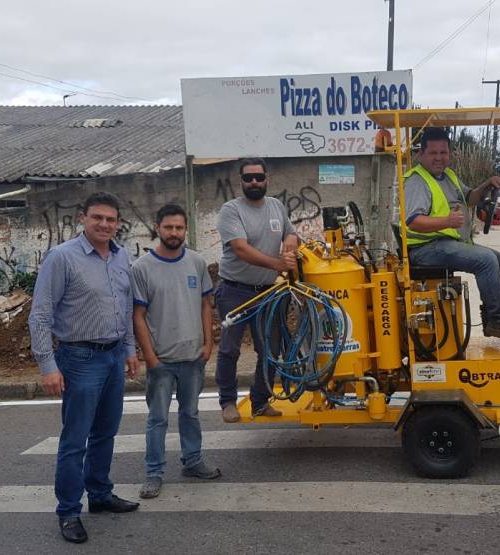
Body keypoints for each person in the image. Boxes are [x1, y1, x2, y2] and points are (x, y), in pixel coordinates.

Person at [28, 192, 141, 544]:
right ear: (82, 218)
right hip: (78, 360)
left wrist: (129, 349)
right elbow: (40, 315)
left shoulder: (122, 257)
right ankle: (68, 511)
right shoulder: (62, 258)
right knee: (75, 440)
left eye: (111, 219)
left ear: (118, 222)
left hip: (112, 357)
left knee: (106, 433)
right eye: (98, 218)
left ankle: (100, 494)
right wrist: (48, 365)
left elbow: (124, 308)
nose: (105, 225)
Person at [403, 127, 500, 340]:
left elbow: (469, 198)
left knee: (495, 257)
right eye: (433, 153)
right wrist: (448, 221)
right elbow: (413, 221)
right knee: (486, 260)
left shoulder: (447, 176)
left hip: (443, 244)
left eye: (443, 153)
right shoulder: (417, 181)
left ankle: (491, 320)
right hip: (424, 249)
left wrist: (487, 184)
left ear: (449, 154)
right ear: (421, 154)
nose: (439, 158)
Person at [132, 204, 221, 500]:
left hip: (193, 358)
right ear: (157, 228)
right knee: (157, 419)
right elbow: (138, 315)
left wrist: (208, 345)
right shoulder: (142, 268)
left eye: (179, 228)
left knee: (190, 413)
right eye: (168, 227)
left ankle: (193, 461)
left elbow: (205, 305)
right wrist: (151, 358)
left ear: (185, 229)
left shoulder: (196, 262)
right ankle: (153, 473)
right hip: (162, 361)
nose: (174, 233)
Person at [216, 158, 299, 421]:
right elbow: (240, 248)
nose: (254, 182)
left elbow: (291, 232)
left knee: (270, 349)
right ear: (240, 181)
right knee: (230, 349)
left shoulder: (276, 206)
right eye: (248, 178)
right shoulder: (231, 210)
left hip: (267, 293)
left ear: (267, 179)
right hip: (235, 291)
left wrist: (289, 244)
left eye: (258, 177)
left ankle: (260, 401)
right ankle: (228, 402)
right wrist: (277, 263)